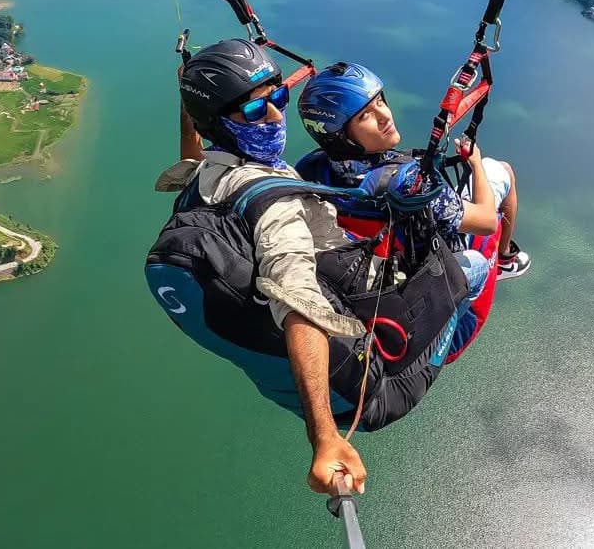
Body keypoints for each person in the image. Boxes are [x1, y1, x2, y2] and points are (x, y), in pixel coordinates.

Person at [153, 38, 369, 497]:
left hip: (278, 375)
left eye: (279, 97)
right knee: (468, 262)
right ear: (222, 124)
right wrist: (324, 438)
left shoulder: (202, 176)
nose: (274, 116)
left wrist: (188, 98)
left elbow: (192, 153)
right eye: (255, 111)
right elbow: (297, 303)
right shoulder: (277, 202)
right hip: (359, 365)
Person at [296, 62, 532, 278]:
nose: (385, 115)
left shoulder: (311, 169)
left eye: (379, 101)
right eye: (365, 116)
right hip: (432, 260)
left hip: (381, 253)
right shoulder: (409, 181)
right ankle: (503, 258)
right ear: (340, 136)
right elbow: (487, 221)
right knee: (503, 170)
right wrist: (476, 163)